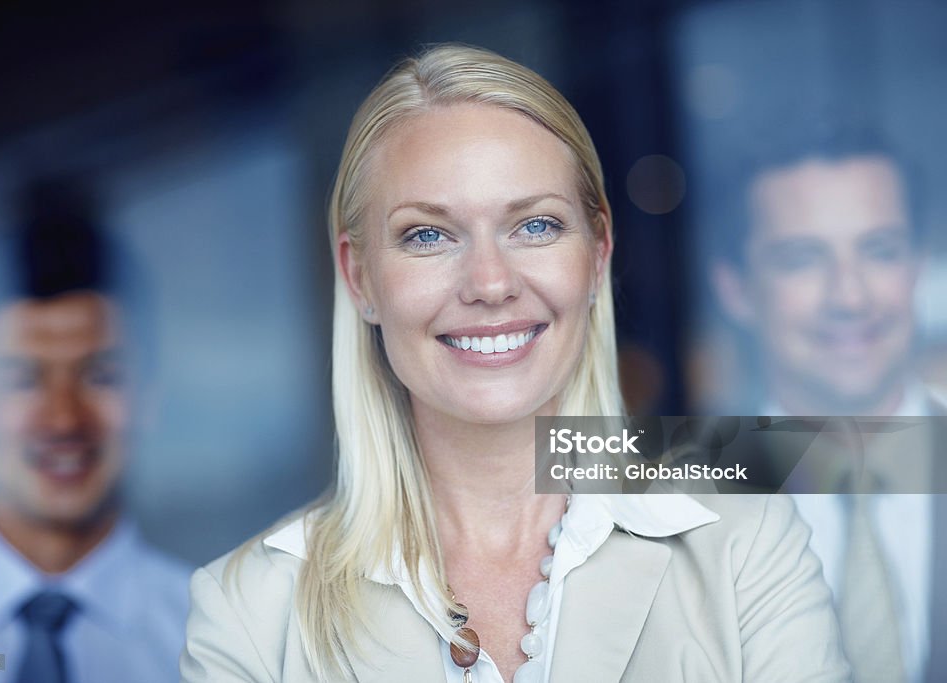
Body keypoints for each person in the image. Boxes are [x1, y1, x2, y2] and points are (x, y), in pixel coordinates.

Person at [181, 44, 849, 682]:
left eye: (535, 225)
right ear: (359, 278)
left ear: (597, 254)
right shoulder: (249, 611)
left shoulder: (745, 544)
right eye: (428, 234)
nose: (491, 282)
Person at [0, 187, 191, 683]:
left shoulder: (217, 636)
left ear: (147, 397)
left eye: (100, 376)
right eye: (23, 379)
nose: (65, 420)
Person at [710, 136, 947, 682]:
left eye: (880, 251)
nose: (850, 297)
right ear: (735, 288)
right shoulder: (671, 508)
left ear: (918, 267)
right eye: (802, 260)